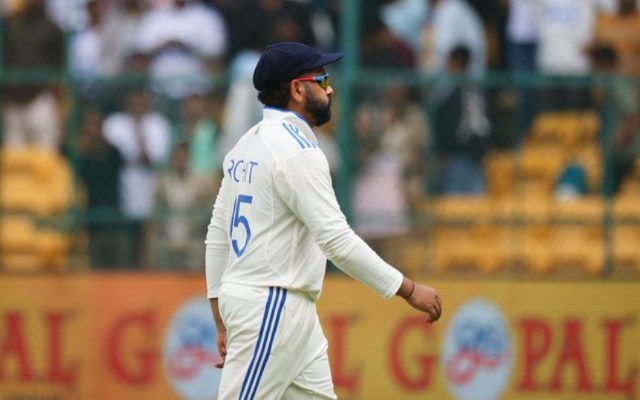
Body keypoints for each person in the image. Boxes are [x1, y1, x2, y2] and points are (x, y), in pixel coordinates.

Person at [205, 42, 442, 399]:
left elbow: (217, 235)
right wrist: (407, 289)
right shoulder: (297, 151)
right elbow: (337, 241)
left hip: (282, 307)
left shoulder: (244, 146)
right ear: (298, 89)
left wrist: (218, 310)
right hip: (271, 305)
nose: (330, 89)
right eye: (322, 79)